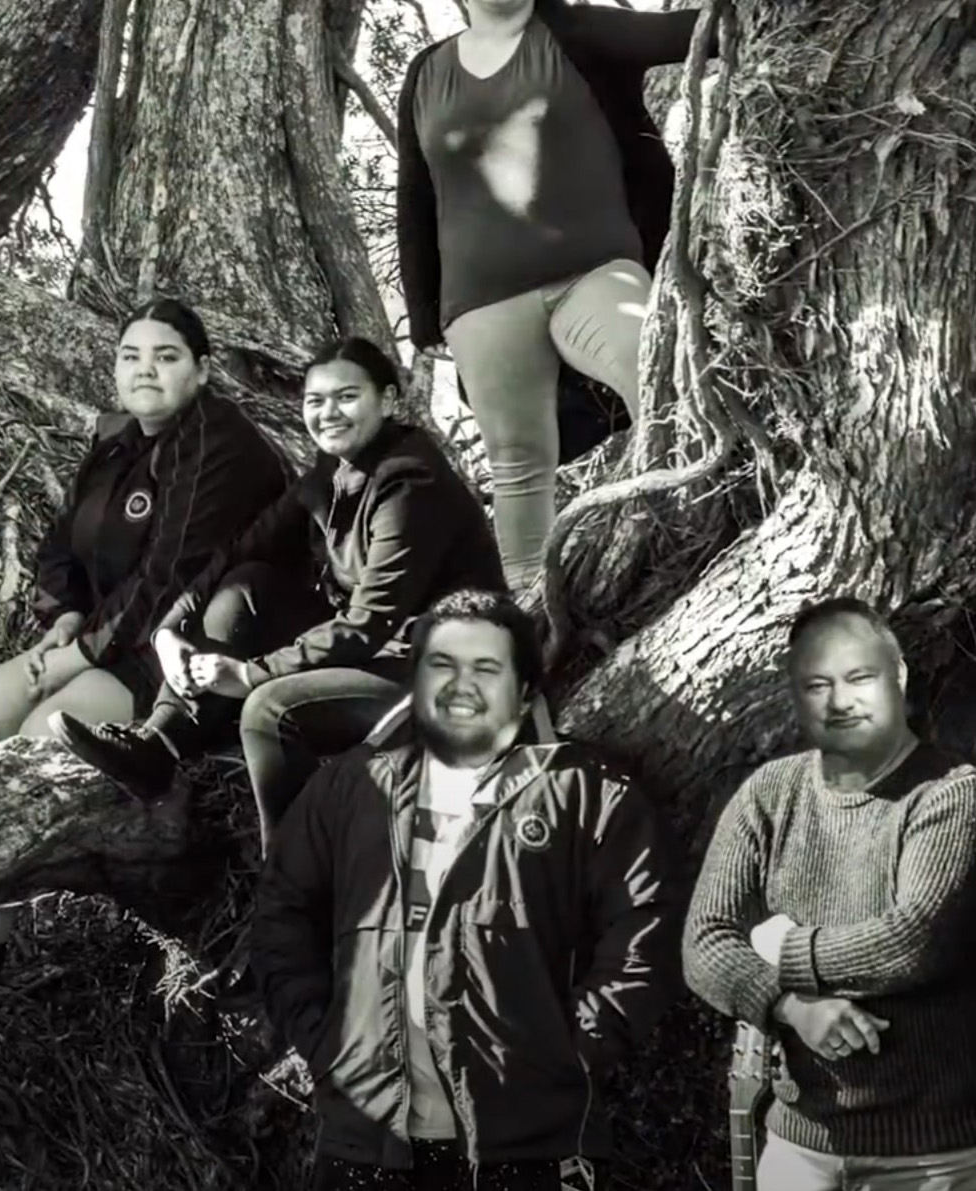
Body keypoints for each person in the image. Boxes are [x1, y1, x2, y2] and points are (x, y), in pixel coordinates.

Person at [250, 588, 675, 1190]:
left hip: (528, 1150)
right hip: (366, 1143)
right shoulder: (350, 789)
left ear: (525, 692)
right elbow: (281, 916)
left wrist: (571, 1052)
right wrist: (325, 1044)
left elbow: (645, 934)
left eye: (487, 668)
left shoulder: (589, 794)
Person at [0, 297, 293, 979]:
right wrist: (65, 613)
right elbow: (62, 544)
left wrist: (83, 650)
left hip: (178, 657)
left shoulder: (220, 443)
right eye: (131, 356)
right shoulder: (119, 442)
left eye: (166, 356)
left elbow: (171, 577)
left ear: (202, 369)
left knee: (44, 730)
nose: (145, 370)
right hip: (104, 638)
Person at [52, 337, 507, 854]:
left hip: (441, 668)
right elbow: (238, 550)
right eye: (315, 401)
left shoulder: (409, 482)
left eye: (346, 397)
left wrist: (250, 674)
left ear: (388, 401)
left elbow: (368, 623)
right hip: (381, 649)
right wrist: (169, 630)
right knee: (248, 586)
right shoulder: (328, 475)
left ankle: (290, 883)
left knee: (268, 707)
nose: (328, 413)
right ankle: (158, 744)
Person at [395, 0, 714, 598]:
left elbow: (693, 31)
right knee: (516, 463)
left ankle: (690, 534)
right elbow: (415, 198)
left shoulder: (576, 35)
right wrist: (423, 319)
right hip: (479, 305)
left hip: (592, 273)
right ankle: (529, 617)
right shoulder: (425, 72)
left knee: (656, 372)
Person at [683, 597, 976, 1191]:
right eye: (817, 683)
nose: (840, 702)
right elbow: (703, 942)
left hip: (930, 1158)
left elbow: (912, 939)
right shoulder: (770, 793)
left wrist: (784, 948)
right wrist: (791, 1006)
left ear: (898, 677)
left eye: (859, 678)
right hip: (799, 1147)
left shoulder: (951, 795)